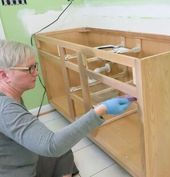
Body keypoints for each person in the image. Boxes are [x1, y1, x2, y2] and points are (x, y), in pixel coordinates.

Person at [0, 40, 131, 177]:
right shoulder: (5, 109)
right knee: (58, 147)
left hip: (24, 159)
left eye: (35, 66)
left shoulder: (12, 97)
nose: (36, 73)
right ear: (4, 75)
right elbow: (52, 145)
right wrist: (102, 109)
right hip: (19, 172)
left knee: (64, 152)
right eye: (29, 69)